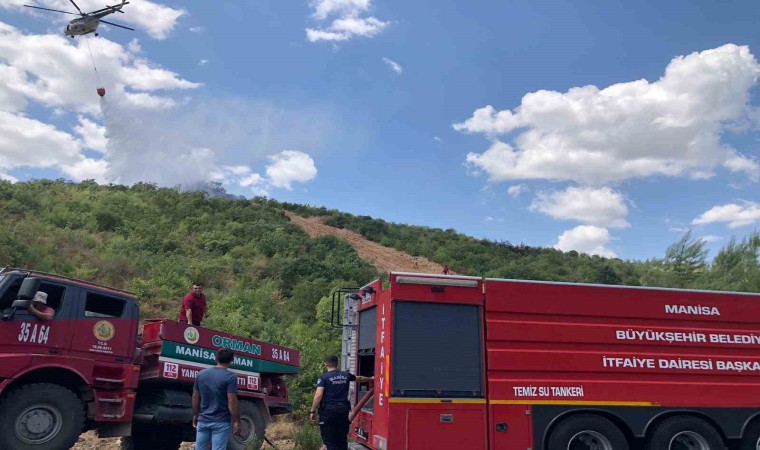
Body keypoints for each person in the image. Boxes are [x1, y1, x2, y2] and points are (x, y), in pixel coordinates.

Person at [310, 355, 373, 450]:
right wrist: (371, 379)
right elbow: (359, 378)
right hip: (343, 411)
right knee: (342, 439)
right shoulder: (345, 375)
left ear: (326, 364)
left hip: (328, 412)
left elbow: (318, 395)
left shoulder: (323, 377)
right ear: (337, 364)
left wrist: (312, 411)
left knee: (330, 441)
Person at [192, 348, 240, 450]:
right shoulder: (231, 377)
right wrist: (236, 421)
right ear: (232, 360)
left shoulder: (201, 374)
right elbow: (232, 401)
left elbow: (195, 396)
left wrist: (196, 415)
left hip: (203, 420)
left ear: (216, 358)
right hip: (221, 421)